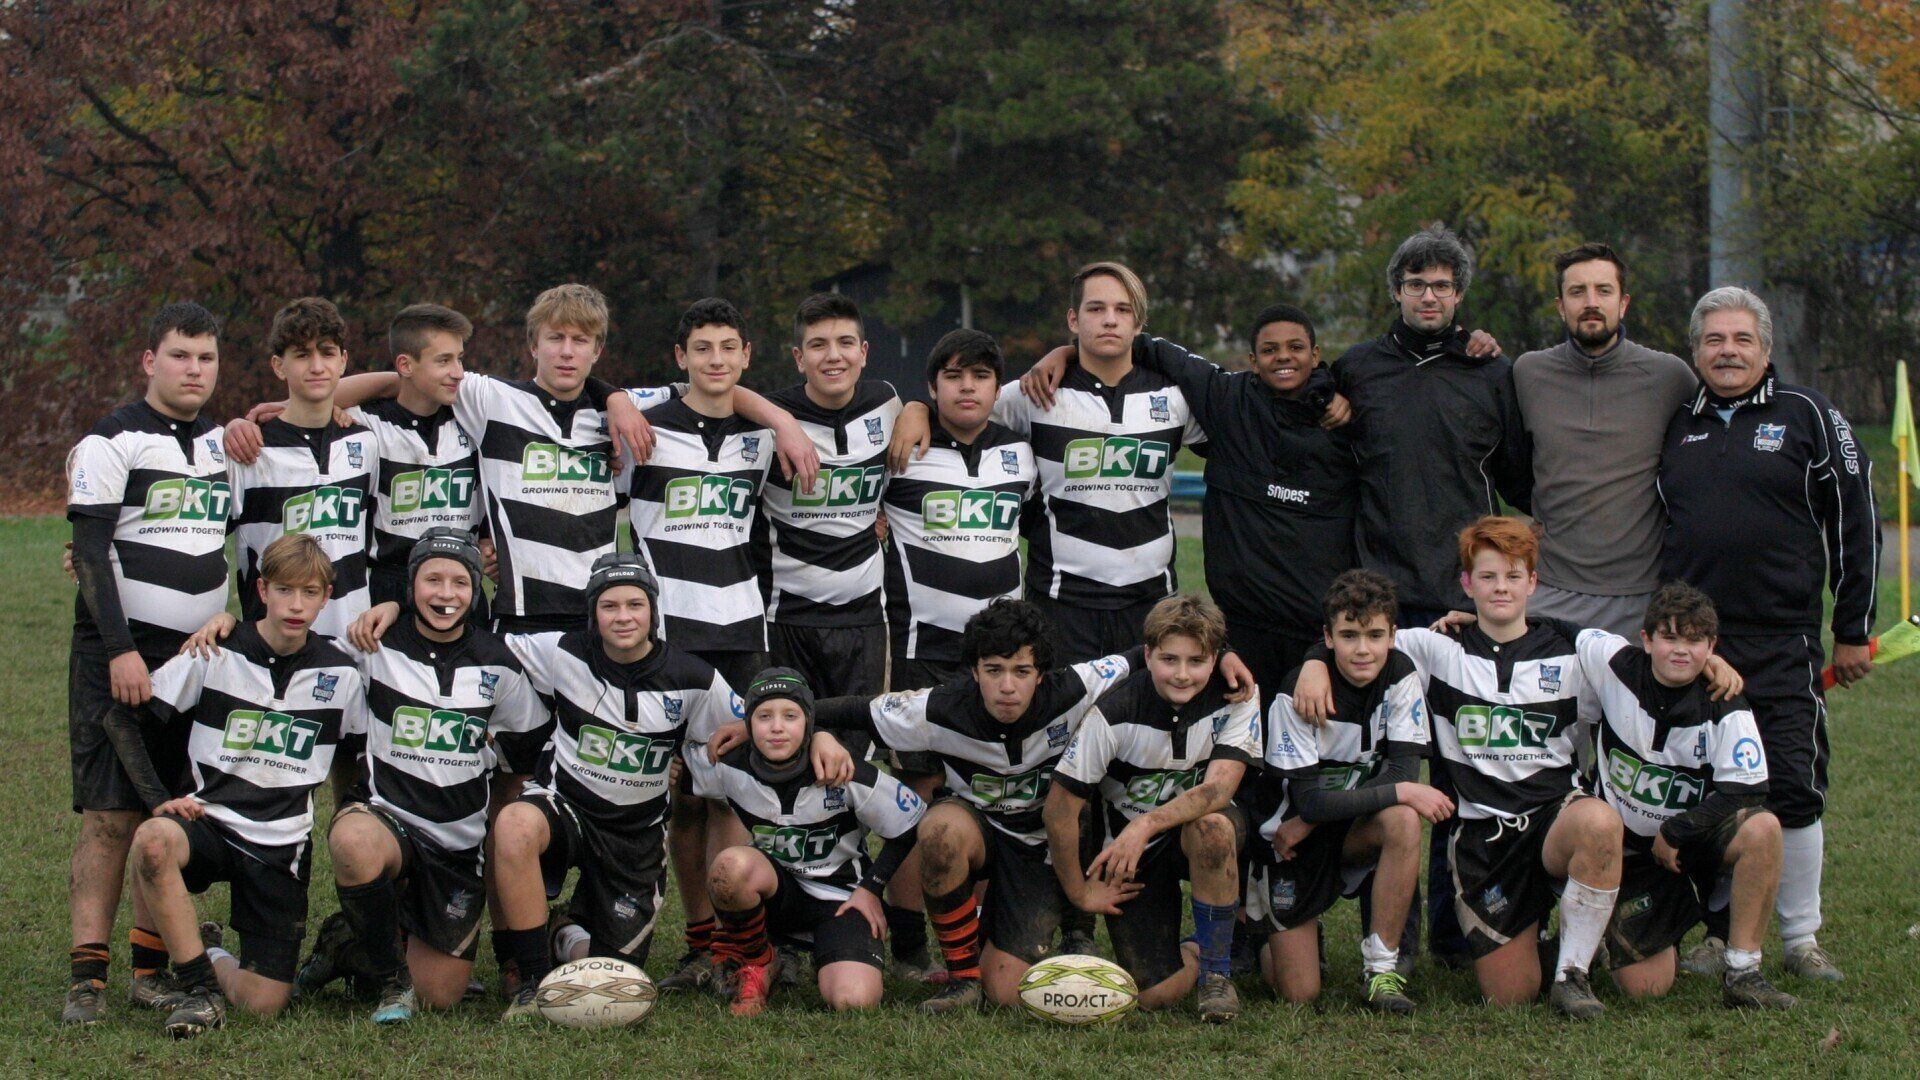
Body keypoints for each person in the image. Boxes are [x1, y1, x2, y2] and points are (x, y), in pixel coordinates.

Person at [194, 529, 547, 1023]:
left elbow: (525, 751)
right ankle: (388, 982)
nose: (445, 594)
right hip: (388, 820)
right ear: (409, 586)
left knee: (440, 997)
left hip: (458, 845)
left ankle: (347, 944)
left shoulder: (498, 663)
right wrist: (230, 623)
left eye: (460, 582)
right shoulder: (369, 647)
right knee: (354, 841)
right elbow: (292, 643)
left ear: (475, 589)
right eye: (432, 580)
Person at [1292, 518, 1633, 1017]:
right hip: (1482, 841)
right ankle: (1553, 938)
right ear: (1467, 583)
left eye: (1514, 577)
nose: (1501, 588)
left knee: (1600, 821)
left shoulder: (1573, 653)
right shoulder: (1435, 648)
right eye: (1488, 576)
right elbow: (1360, 638)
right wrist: (1312, 662)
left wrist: (1708, 662)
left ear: (1533, 583)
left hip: (1554, 819)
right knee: (1509, 995)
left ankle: (1572, 973)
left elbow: (1651, 674)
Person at [814, 600, 1219, 1013]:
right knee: (939, 830)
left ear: (1041, 673)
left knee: (1008, 993)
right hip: (979, 834)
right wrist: (820, 734)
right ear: (974, 671)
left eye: (1022, 671)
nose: (1008, 686)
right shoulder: (934, 709)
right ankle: (962, 979)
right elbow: (847, 709)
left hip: (1043, 848)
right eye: (994, 670)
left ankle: (1084, 932)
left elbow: (1152, 654)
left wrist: (1229, 657)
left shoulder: (1076, 687)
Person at [461, 554, 808, 1020]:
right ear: (593, 614)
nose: (623, 617)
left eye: (634, 605)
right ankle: (531, 981)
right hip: (565, 810)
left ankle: (563, 931)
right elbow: (477, 643)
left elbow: (755, 722)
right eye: (609, 606)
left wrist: (815, 734)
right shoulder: (561, 651)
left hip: (636, 835)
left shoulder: (693, 678)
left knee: (614, 977)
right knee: (514, 823)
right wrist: (393, 617)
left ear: (653, 612)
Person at [1658, 285, 1879, 983]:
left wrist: (1853, 629)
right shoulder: (1676, 422)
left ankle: (1801, 938)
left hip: (1782, 642)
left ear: (1766, 349)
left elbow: (1857, 520)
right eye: (1714, 340)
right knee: (1706, 790)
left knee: (1791, 784)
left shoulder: (1808, 414)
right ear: (1694, 351)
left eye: (1741, 339)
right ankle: (1720, 932)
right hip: (1694, 645)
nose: (1727, 351)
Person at [1330, 225, 1530, 966]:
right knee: (1390, 777)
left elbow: (1518, 478)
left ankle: (1456, 936)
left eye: (1443, 285)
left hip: (1463, 606)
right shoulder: (1357, 369)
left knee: (1461, 776)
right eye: (1417, 284)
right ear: (1397, 291)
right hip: (1381, 605)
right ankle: (1393, 939)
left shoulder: (1490, 372)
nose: (1429, 295)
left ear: (1460, 295)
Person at [113, 535, 368, 1037]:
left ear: (327, 597)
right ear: (262, 589)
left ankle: (205, 950)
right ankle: (199, 989)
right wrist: (156, 801)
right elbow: (122, 722)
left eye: (311, 593)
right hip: (210, 824)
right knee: (153, 840)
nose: (296, 605)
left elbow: (357, 758)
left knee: (264, 1004)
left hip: (281, 846)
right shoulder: (216, 651)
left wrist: (350, 815)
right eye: (285, 590)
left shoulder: (342, 674)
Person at [62, 302, 231, 1025]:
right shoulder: (111, 439)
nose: (194, 369)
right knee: (111, 816)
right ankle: (86, 979)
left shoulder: (230, 445)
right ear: (149, 360)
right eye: (180, 355)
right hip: (119, 651)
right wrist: (123, 649)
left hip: (199, 660)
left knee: (169, 814)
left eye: (206, 358)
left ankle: (149, 970)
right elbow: (92, 552)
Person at [624, 298, 777, 992]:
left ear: (746, 356)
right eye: (701, 348)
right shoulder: (642, 429)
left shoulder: (763, 433)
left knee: (730, 792)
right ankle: (697, 942)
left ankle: (736, 947)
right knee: (683, 797)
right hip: (668, 637)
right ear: (679, 357)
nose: (715, 360)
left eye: (728, 348)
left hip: (743, 633)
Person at [1572, 583, 1795, 1010]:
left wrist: (1678, 830)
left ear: (1711, 647)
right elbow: (1558, 630)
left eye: (1694, 641)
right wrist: (1473, 622)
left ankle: (1743, 971)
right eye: (1670, 637)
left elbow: (1748, 787)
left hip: (1687, 843)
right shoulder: (1614, 662)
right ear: (1646, 639)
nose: (1680, 650)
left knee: (1763, 828)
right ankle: (1607, 931)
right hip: (1621, 849)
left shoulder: (1725, 701)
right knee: (1647, 988)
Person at [1046, 595, 1262, 1022]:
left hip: (1189, 833)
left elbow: (1219, 788)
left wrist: (1145, 824)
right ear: (1147, 655)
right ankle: (1199, 950)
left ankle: (1217, 978)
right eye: (1169, 659)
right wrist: (1079, 892)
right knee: (1154, 995)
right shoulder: (1113, 711)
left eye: (1196, 661)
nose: (1182, 674)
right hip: (1130, 854)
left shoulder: (1238, 695)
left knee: (1212, 828)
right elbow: (1058, 810)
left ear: (1215, 659)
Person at [1249, 570, 1451, 1014]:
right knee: (1299, 992)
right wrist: (1310, 817)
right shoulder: (1296, 694)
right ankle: (1260, 931)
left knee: (1401, 818)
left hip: (1338, 830)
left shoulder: (1401, 675)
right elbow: (1311, 800)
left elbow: (1399, 771)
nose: (1363, 649)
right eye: (1349, 635)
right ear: (1327, 637)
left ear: (1393, 636)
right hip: (1288, 845)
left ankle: (1380, 971)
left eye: (1375, 635)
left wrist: (1317, 817)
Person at [229, 304, 488, 609]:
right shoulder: (364, 427)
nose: (457, 372)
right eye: (444, 361)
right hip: (384, 592)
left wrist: (488, 541)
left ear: (342, 360)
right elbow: (319, 399)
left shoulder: (475, 412)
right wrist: (263, 414)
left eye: (459, 359)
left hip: (461, 589)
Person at [705, 669, 923, 1015]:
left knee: (854, 1001)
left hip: (842, 899)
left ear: (808, 722)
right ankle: (761, 961)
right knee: (729, 868)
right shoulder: (726, 766)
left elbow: (910, 823)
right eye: (764, 717)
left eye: (790, 716)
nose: (777, 727)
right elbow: (680, 774)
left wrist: (872, 888)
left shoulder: (842, 768)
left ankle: (837, 951)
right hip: (777, 895)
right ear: (748, 724)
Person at [1514, 243, 1697, 637]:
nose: (1591, 302)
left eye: (1604, 290)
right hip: (1549, 592)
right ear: (1561, 306)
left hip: (1639, 597)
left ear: (1624, 303)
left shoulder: (1670, 378)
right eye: (1577, 292)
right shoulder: (1528, 374)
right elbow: (1507, 460)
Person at [883, 330, 1036, 690]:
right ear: (933, 388)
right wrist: (914, 407)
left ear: (998, 391)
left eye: (980, 376)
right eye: (953, 377)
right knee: (918, 746)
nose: (967, 387)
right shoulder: (900, 448)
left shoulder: (1022, 452)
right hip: (922, 650)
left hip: (1001, 653)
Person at [226, 297, 378, 640]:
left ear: (343, 361)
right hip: (272, 645)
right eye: (302, 354)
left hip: (350, 642)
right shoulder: (249, 450)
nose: (317, 366)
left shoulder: (366, 442)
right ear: (279, 367)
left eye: (326, 353)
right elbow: (196, 534)